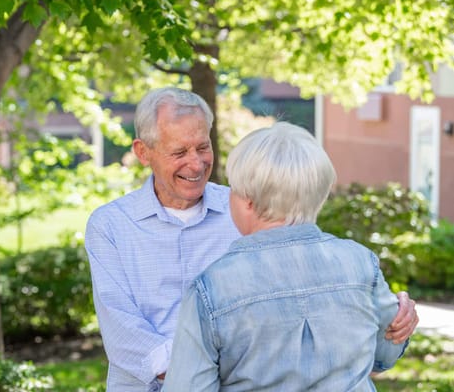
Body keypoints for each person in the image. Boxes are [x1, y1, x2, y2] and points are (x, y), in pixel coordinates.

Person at [84, 87, 417, 392]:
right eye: (179, 152)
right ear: (143, 152)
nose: (197, 163)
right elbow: (122, 330)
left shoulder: (251, 207)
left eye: (203, 146)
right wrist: (211, 363)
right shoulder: (110, 226)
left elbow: (297, 307)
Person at [163, 122, 408, 391]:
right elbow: (385, 355)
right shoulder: (361, 262)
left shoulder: (211, 288)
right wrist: (402, 319)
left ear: (247, 201)